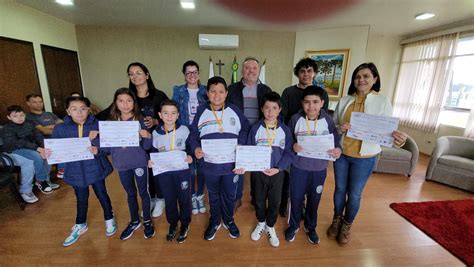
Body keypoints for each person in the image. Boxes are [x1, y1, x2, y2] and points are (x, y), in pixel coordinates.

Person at [328, 62, 407, 246]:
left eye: (365, 76)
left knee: (354, 194)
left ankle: (347, 226)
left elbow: (387, 131)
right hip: (342, 153)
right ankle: (336, 220)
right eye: (358, 77)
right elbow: (335, 126)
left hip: (365, 157)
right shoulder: (345, 100)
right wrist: (341, 128)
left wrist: (398, 138)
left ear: (375, 79)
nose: (361, 80)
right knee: (340, 189)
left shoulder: (383, 101)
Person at [43, 96, 116, 247]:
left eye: (83, 108)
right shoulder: (60, 129)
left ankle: (109, 218)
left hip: (95, 168)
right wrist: (48, 153)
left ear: (89, 110)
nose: (79, 112)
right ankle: (80, 224)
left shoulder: (98, 126)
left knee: (102, 194)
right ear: (68, 111)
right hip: (75, 171)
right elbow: (55, 150)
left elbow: (108, 148)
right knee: (81, 198)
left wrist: (97, 149)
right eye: (74, 109)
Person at [190, 76, 249, 241]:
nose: (217, 95)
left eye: (221, 91)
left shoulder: (234, 110)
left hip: (231, 165)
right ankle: (215, 220)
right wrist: (196, 148)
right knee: (214, 195)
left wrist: (241, 146)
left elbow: (245, 129)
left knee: (230, 195)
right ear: (207, 93)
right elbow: (193, 135)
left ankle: (229, 220)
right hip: (210, 166)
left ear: (226, 93)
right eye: (213, 91)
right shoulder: (202, 111)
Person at [91, 88, 154, 240]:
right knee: (130, 193)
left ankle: (146, 220)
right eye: (121, 101)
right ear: (116, 103)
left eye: (129, 100)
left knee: (143, 192)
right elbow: (106, 149)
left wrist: (148, 136)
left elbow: (146, 147)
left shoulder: (141, 120)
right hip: (121, 164)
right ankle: (134, 221)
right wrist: (94, 140)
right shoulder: (110, 123)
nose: (125, 104)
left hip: (139, 162)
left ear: (134, 102)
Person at [285, 86, 342, 245]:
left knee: (314, 200)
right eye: (307, 102)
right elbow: (287, 141)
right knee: (296, 198)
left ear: (322, 103)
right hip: (298, 168)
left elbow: (336, 142)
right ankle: (294, 225)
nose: (311, 106)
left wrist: (338, 150)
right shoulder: (295, 119)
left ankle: (311, 227)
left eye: (315, 102)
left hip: (319, 169)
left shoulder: (328, 121)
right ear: (302, 103)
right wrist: (293, 146)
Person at [279, 57, 329, 217]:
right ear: (297, 74)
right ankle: (286, 205)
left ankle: (303, 206)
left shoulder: (322, 94)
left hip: (313, 145)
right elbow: (283, 117)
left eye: (309, 71)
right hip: (293, 140)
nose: (306, 74)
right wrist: (289, 141)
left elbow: (323, 119)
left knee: (308, 179)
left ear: (314, 73)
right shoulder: (288, 92)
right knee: (289, 176)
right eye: (302, 71)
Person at [246, 92, 294, 248]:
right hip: (258, 173)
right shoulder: (255, 129)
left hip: (277, 173)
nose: (270, 111)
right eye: (267, 108)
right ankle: (261, 222)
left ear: (279, 110)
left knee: (275, 201)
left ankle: (270, 225)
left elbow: (288, 153)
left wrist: (278, 168)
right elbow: (249, 150)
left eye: (274, 108)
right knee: (259, 200)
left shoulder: (285, 130)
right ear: (262, 109)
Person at [226, 57, 272, 211]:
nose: (251, 71)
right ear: (242, 70)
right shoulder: (232, 89)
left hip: (259, 133)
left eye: (254, 68)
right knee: (238, 165)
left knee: (257, 167)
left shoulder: (266, 90)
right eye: (247, 68)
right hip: (239, 133)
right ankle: (236, 197)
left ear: (258, 71)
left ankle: (256, 197)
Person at [150, 100, 193, 243]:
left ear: (178, 115)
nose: (169, 116)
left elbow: (192, 148)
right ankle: (173, 223)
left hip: (182, 172)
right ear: (160, 115)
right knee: (169, 199)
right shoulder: (155, 133)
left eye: (173, 113)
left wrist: (190, 157)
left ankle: (185, 223)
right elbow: (153, 152)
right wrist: (150, 162)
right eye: (166, 113)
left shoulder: (184, 130)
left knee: (184, 198)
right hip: (164, 173)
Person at [172, 60, 208, 215]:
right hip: (184, 133)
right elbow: (173, 111)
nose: (192, 75)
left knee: (201, 167)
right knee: (189, 167)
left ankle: (200, 195)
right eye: (188, 73)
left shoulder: (206, 90)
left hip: (202, 134)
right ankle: (192, 195)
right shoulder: (178, 91)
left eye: (195, 72)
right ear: (184, 75)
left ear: (198, 73)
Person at [1, 105, 53, 194]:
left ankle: (46, 180)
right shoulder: (6, 128)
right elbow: (17, 143)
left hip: (30, 148)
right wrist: (37, 148)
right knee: (36, 156)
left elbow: (38, 136)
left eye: (21, 115)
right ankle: (41, 181)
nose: (19, 118)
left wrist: (44, 147)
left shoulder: (30, 124)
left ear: (25, 115)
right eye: (15, 116)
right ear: (9, 117)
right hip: (14, 150)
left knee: (47, 153)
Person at [25, 94, 63, 184]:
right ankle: (45, 180)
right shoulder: (28, 117)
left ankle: (66, 171)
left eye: (40, 102)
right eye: (34, 102)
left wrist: (48, 127)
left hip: (58, 140)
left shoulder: (49, 114)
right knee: (47, 153)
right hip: (43, 143)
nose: (38, 104)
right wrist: (54, 127)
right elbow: (43, 131)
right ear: (28, 103)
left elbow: (63, 125)